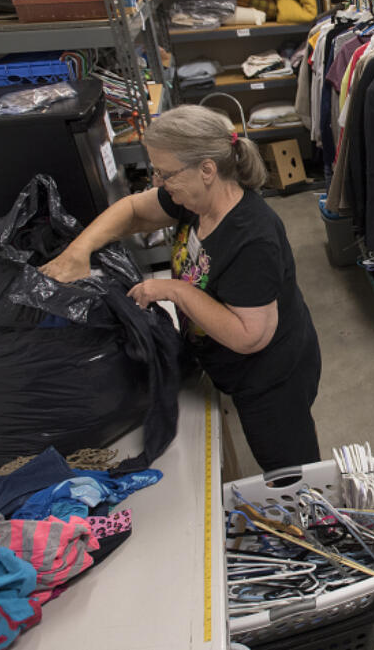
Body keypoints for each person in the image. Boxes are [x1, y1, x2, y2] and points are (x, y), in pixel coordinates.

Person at [41, 105, 321, 471]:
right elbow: (133, 211)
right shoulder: (194, 201)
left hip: (271, 379)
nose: (157, 182)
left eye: (165, 172)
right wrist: (78, 251)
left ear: (207, 169)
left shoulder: (251, 238)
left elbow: (250, 336)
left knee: (291, 472)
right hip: (232, 364)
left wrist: (177, 291)